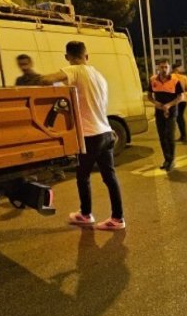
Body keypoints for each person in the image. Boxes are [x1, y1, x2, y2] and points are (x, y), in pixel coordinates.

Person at [38, 41, 125, 231]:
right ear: (87, 56)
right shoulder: (99, 75)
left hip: (90, 135)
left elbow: (46, 80)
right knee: (110, 178)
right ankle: (118, 218)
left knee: (82, 176)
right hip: (105, 132)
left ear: (67, 57)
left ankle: (86, 214)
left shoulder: (75, 70)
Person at [150, 59, 184, 171]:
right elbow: (149, 96)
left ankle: (171, 160)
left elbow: (180, 97)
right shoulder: (153, 80)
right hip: (159, 112)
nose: (164, 69)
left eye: (166, 67)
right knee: (162, 137)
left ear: (169, 68)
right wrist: (156, 103)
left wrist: (169, 105)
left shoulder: (175, 81)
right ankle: (166, 159)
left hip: (171, 112)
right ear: (158, 68)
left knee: (170, 136)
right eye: (162, 67)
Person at [172, 63, 187, 142]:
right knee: (180, 117)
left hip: (176, 99)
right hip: (183, 99)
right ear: (176, 69)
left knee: (179, 118)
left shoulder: (171, 77)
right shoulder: (184, 77)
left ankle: (183, 136)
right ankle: (183, 135)